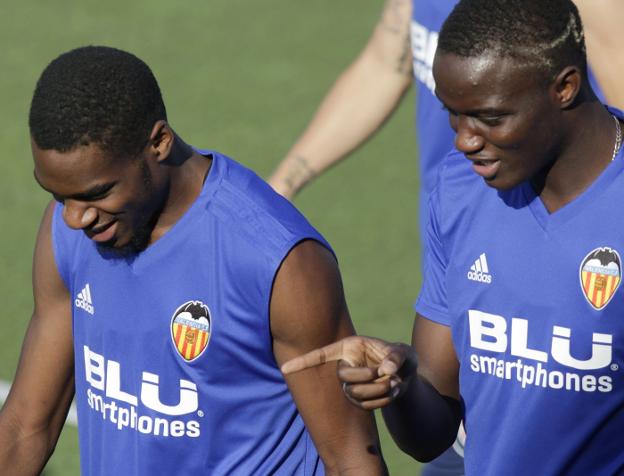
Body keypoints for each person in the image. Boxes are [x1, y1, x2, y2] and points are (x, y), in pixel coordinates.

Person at [0, 46, 388, 475]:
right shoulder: (69, 230)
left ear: (159, 143)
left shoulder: (279, 261)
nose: (74, 218)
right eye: (57, 195)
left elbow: (352, 460)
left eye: (96, 193)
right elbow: (25, 429)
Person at [281, 0, 624, 474]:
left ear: (564, 87)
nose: (464, 140)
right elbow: (433, 434)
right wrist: (399, 386)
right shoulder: (460, 191)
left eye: (490, 117)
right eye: (453, 115)